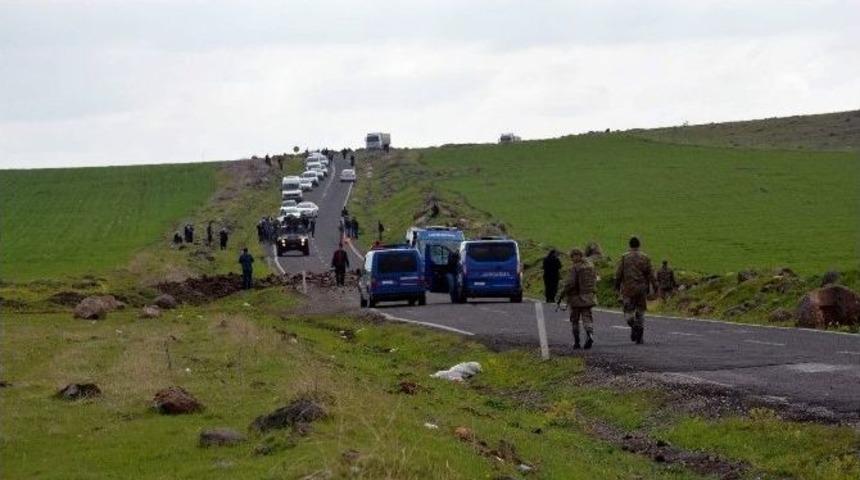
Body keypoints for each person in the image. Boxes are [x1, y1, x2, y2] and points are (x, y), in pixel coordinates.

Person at [614, 236, 656, 344]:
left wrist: (616, 286)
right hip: (642, 289)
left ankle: (633, 325)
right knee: (640, 311)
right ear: (639, 245)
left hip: (628, 289)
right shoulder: (645, 258)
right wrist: (655, 287)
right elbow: (651, 274)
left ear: (630, 245)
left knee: (628, 311)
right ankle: (640, 336)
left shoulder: (624, 257)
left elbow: (618, 274)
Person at [559, 248, 597, 349]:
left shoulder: (575, 268)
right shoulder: (590, 266)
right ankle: (589, 334)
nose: (572, 259)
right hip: (588, 297)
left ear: (574, 256)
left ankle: (577, 342)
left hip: (576, 298)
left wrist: (563, 292)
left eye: (572, 256)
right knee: (587, 318)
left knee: (574, 320)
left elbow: (570, 283)